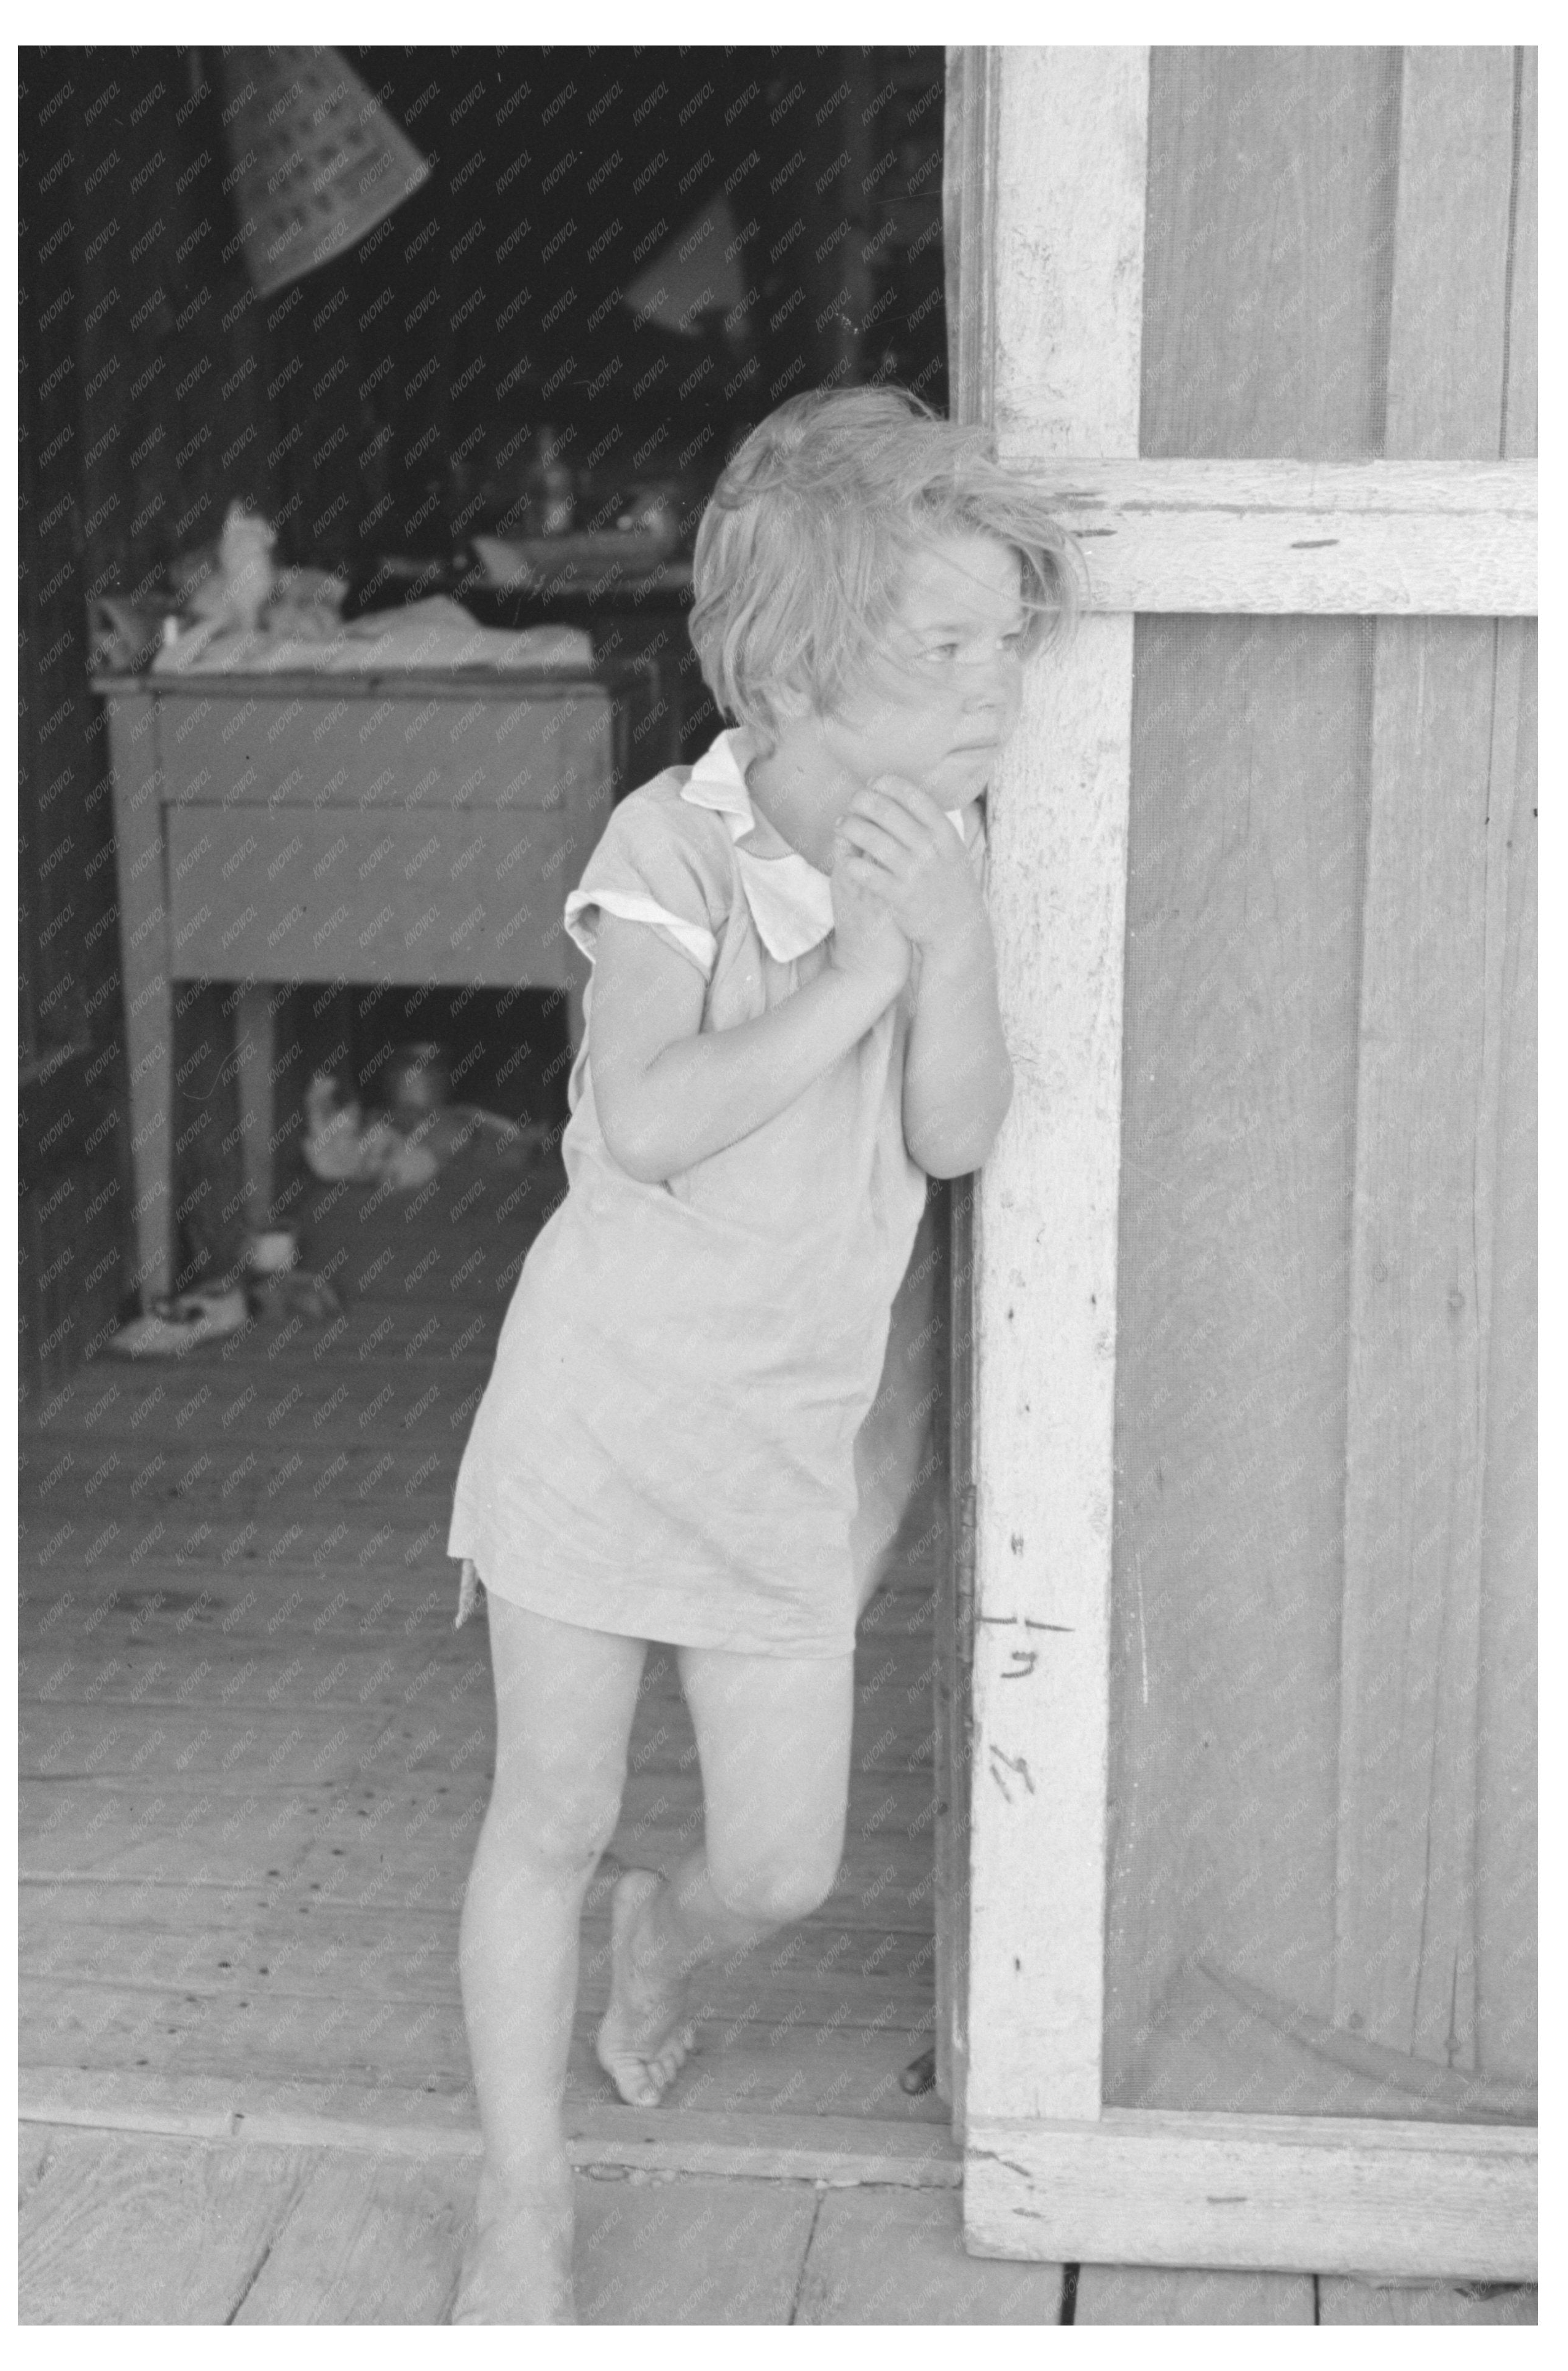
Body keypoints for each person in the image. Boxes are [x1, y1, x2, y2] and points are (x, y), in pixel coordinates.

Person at [446, 385, 1078, 2322]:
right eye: (943, 648)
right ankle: (521, 2198)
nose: (991, 688)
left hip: (781, 1452)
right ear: (797, 671)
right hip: (597, 1417)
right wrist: (861, 975)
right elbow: (640, 1113)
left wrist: (948, 945)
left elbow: (954, 1134)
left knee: (782, 1868)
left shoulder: (953, 840)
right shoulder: (679, 840)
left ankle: (665, 1928)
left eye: (1005, 645)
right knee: (542, 1814)